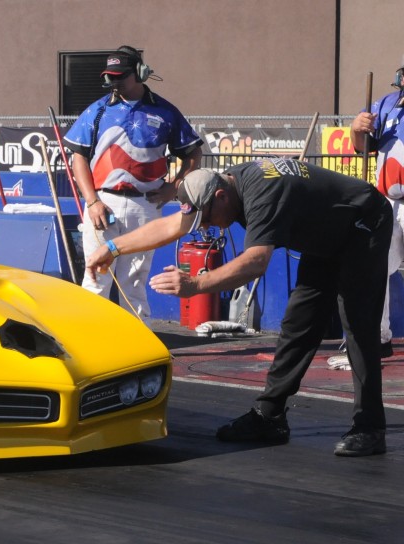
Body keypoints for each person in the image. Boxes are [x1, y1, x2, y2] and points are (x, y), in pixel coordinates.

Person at [87, 160, 391, 457]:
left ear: (221, 197)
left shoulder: (263, 195)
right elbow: (171, 225)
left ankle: (370, 427)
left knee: (358, 322)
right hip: (326, 236)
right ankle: (269, 416)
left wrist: (194, 285)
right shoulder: (219, 187)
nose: (204, 227)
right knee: (299, 324)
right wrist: (113, 248)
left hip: (364, 224)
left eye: (206, 219)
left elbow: (256, 263)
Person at [63, 46, 202, 318]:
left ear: (140, 73)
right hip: (103, 202)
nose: (113, 82)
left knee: (135, 281)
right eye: (109, 77)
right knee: (95, 278)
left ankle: (138, 343)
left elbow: (193, 152)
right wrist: (92, 202)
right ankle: (92, 342)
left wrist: (174, 187)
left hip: (145, 204)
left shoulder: (165, 111)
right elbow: (77, 156)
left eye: (119, 76)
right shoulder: (98, 110)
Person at [332, 61, 404, 369]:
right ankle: (378, 337)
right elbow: (364, 146)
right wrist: (357, 128)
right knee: (378, 269)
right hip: (387, 199)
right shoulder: (387, 104)